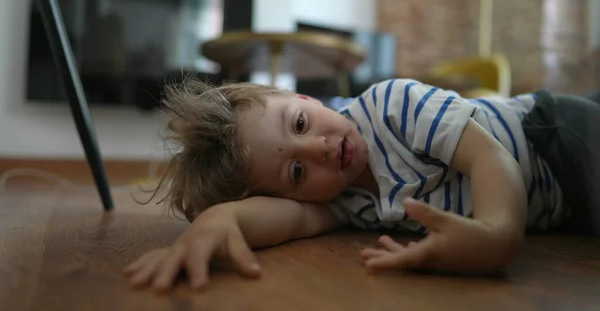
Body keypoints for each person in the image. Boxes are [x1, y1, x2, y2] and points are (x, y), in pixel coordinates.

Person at [123, 77, 600, 291]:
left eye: (302, 124)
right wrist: (218, 218)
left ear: (303, 97)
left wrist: (498, 234)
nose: (319, 150)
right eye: (296, 172)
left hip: (558, 139)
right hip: (564, 209)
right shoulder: (339, 199)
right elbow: (292, 219)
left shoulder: (392, 107)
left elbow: (493, 159)